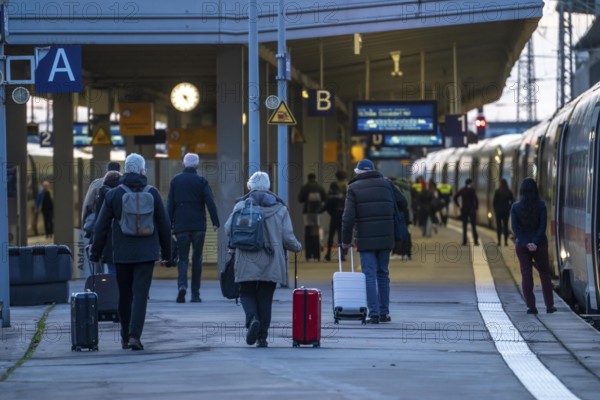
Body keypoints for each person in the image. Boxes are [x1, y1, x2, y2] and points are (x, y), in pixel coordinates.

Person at [90, 153, 171, 351]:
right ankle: (135, 335)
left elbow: (101, 226)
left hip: (122, 253)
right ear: (143, 170)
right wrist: (168, 253)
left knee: (124, 295)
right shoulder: (153, 193)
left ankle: (125, 337)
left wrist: (95, 252)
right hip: (146, 253)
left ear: (126, 169)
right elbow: (164, 225)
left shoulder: (114, 194)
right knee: (141, 294)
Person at [225, 171, 302, 348]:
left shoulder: (241, 206)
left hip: (246, 258)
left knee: (246, 293)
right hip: (271, 259)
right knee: (265, 298)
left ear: (249, 186)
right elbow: (288, 238)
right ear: (268, 187)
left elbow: (229, 229)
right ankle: (262, 337)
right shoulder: (280, 209)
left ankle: (252, 320)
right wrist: (297, 247)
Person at [341, 159, 396, 324]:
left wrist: (345, 241)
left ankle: (374, 314)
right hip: (386, 236)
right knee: (383, 273)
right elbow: (403, 203)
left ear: (358, 172)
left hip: (366, 238)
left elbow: (348, 217)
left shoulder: (353, 188)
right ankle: (385, 313)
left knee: (369, 275)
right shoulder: (387, 184)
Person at [167, 153, 220, 303]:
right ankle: (195, 294)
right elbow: (210, 202)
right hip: (198, 226)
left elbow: (169, 205)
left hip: (181, 226)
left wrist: (168, 225)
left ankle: (182, 286)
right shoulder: (201, 181)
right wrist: (215, 221)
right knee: (197, 259)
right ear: (197, 166)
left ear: (183, 165)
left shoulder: (175, 181)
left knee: (182, 258)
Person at [511, 178, 556, 315]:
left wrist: (525, 242)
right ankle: (549, 306)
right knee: (544, 274)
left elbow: (515, 229)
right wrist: (535, 242)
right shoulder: (541, 205)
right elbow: (542, 227)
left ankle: (531, 307)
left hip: (523, 246)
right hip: (540, 245)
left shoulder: (515, 207)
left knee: (526, 275)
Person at [91, 169, 122, 275]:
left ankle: (113, 290)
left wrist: (95, 253)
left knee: (111, 273)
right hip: (124, 244)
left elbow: (100, 225)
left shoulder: (102, 195)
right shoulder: (122, 195)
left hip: (108, 244)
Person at [297, 173, 326, 261]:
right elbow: (325, 198)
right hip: (317, 213)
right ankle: (317, 255)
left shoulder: (305, 187)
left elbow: (300, 199)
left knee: (308, 233)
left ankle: (309, 256)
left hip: (307, 213)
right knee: (316, 233)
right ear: (315, 178)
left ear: (308, 178)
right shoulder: (320, 187)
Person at [322, 182, 345, 262]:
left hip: (333, 219)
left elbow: (324, 207)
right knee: (341, 238)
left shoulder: (329, 197)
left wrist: (316, 210)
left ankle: (328, 255)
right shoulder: (342, 196)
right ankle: (342, 256)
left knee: (330, 238)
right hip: (341, 219)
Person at [392, 177, 412, 261]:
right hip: (408, 213)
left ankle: (399, 253)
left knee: (399, 233)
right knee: (405, 234)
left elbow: (398, 201)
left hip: (400, 214)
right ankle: (406, 253)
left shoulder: (396, 188)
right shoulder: (407, 188)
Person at [454, 178, 479, 246]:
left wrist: (459, 205)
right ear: (470, 183)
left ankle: (464, 241)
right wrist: (476, 208)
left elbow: (455, 197)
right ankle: (476, 241)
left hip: (464, 210)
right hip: (471, 210)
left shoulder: (462, 190)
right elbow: (476, 199)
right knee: (473, 226)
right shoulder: (472, 190)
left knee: (464, 226)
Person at [493, 178, 514, 246]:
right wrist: (509, 207)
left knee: (499, 226)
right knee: (505, 226)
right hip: (506, 211)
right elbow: (512, 201)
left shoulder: (497, 191)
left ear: (501, 184)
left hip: (498, 211)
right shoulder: (509, 192)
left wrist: (495, 209)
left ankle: (499, 241)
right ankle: (505, 242)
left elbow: (494, 202)